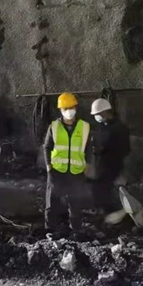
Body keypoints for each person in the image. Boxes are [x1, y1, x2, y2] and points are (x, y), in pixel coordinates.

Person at [44, 92, 92, 233]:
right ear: (60, 110)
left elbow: (89, 148)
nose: (69, 111)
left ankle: (76, 230)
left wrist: (88, 167)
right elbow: (46, 147)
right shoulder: (54, 126)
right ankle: (50, 230)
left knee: (76, 204)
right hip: (57, 170)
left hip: (77, 172)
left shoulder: (84, 127)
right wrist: (49, 167)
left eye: (71, 107)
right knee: (52, 203)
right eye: (65, 108)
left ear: (76, 107)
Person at [89, 98, 130, 216]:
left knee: (105, 191)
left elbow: (124, 149)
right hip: (103, 165)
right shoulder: (105, 126)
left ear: (105, 112)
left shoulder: (118, 128)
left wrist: (102, 149)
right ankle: (103, 212)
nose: (96, 117)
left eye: (97, 114)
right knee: (99, 189)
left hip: (112, 166)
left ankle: (108, 214)